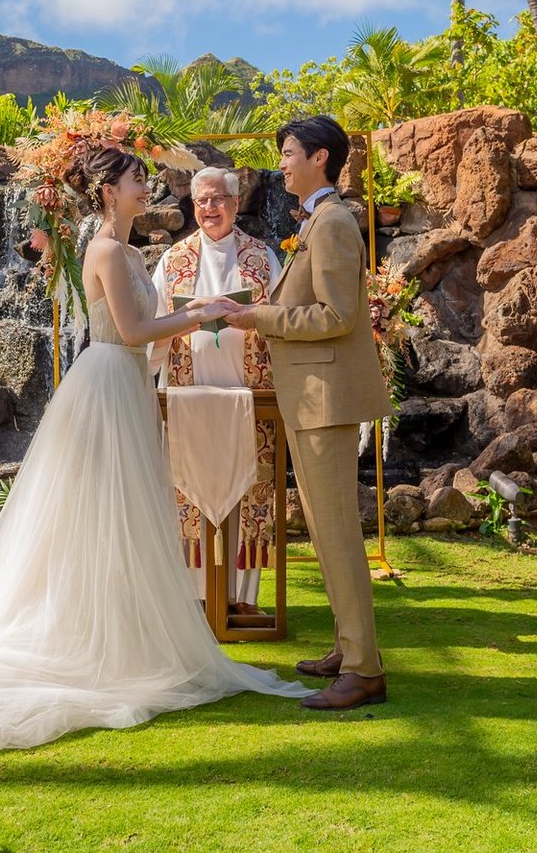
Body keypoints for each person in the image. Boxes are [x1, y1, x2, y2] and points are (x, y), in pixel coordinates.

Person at [0, 144, 304, 760]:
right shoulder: (105, 250)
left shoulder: (133, 252)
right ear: (109, 191)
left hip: (128, 383)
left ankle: (121, 631)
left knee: (126, 512)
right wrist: (203, 316)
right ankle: (90, 637)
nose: (147, 189)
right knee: (101, 509)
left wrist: (196, 311)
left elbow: (145, 329)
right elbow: (133, 332)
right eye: (137, 180)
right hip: (107, 381)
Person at [218, 115, 392, 711]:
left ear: (321, 158)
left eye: (289, 152)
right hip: (312, 395)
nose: (281, 163)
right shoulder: (318, 220)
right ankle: (348, 647)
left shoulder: (334, 222)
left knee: (337, 532)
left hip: (325, 397)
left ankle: (365, 670)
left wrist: (259, 318)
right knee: (324, 528)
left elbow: (338, 316)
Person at [148, 165, 279, 621]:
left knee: (250, 488)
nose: (209, 207)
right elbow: (154, 325)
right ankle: (196, 596)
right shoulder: (173, 261)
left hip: (252, 397)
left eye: (218, 198)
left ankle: (242, 597)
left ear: (235, 203)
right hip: (188, 398)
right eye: (202, 200)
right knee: (189, 486)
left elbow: (282, 318)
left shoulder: (263, 257)